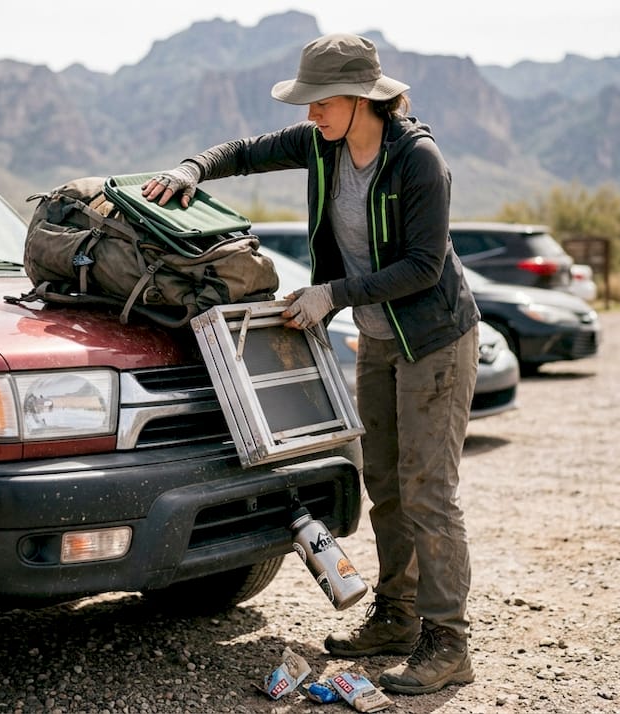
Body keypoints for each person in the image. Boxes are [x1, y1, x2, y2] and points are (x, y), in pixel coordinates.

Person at [142, 33, 481, 695]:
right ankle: (398, 617)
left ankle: (450, 643)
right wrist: (190, 169)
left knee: (428, 493)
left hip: (435, 340)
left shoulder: (419, 161)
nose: (309, 116)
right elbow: (241, 153)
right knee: (383, 483)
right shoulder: (321, 144)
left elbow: (424, 267)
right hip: (382, 340)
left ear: (360, 100)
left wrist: (332, 295)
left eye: (321, 102)